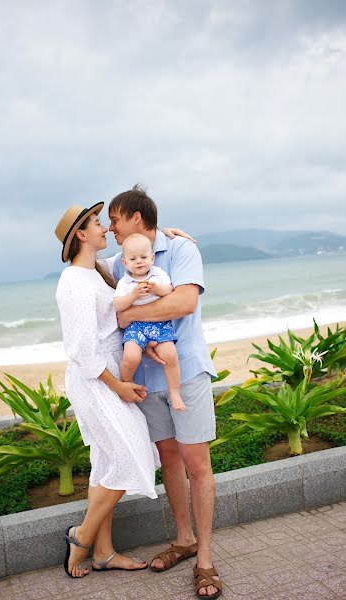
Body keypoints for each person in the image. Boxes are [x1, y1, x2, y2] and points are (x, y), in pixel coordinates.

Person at [55, 203, 192, 579]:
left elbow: (135, 253)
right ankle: (81, 536)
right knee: (134, 454)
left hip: (111, 376)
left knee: (106, 461)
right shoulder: (73, 282)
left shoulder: (96, 273)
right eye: (99, 223)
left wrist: (166, 234)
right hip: (96, 381)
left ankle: (102, 552)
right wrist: (119, 387)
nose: (105, 228)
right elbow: (81, 348)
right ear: (82, 235)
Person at [109, 185, 223, 599]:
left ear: (136, 217)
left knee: (197, 463)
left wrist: (127, 315)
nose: (110, 228)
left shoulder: (180, 250)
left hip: (185, 372)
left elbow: (183, 304)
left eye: (115, 220)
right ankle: (184, 540)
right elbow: (85, 266)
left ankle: (206, 560)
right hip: (146, 381)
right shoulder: (119, 259)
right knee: (169, 461)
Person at [113, 233, 185, 411]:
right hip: (135, 325)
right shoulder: (125, 282)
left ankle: (174, 392)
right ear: (125, 263)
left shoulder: (158, 274)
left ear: (152, 258)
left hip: (159, 323)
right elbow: (117, 304)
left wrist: (157, 289)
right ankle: (128, 384)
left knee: (170, 354)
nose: (139, 262)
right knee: (131, 357)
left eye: (144, 257)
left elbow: (169, 290)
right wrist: (133, 295)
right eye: (133, 258)